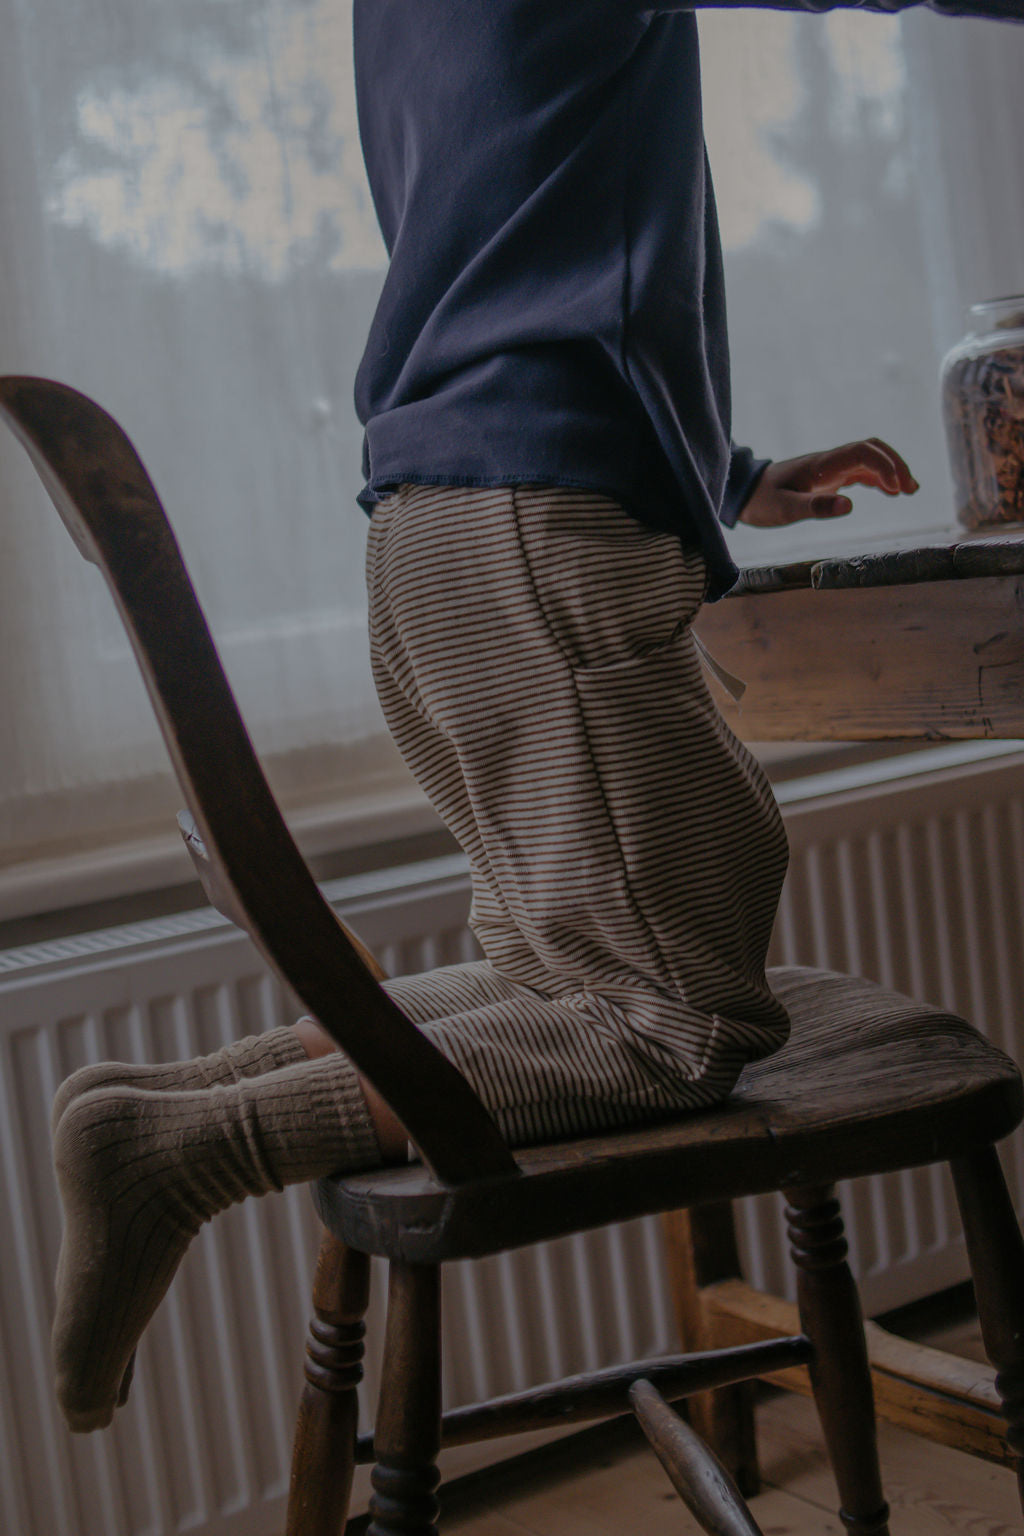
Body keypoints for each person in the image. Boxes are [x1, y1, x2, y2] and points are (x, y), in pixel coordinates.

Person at [49, 0, 1009, 1434]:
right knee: (679, 1016)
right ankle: (188, 1145)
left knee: (560, 981)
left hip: (437, 525)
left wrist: (720, 468)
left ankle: (161, 1099)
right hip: (539, 521)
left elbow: (512, 223)